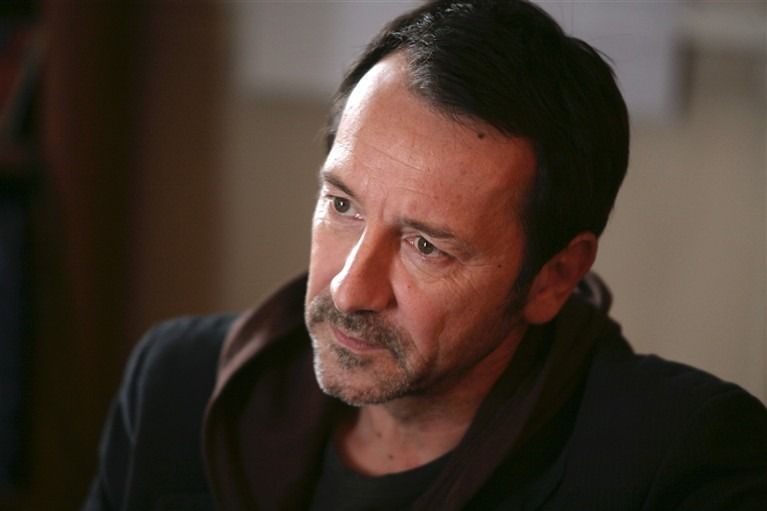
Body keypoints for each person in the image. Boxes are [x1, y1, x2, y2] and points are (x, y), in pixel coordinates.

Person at [83, 1, 767, 510]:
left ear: (553, 278)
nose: (351, 290)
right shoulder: (177, 385)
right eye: (342, 205)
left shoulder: (679, 460)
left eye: (425, 245)